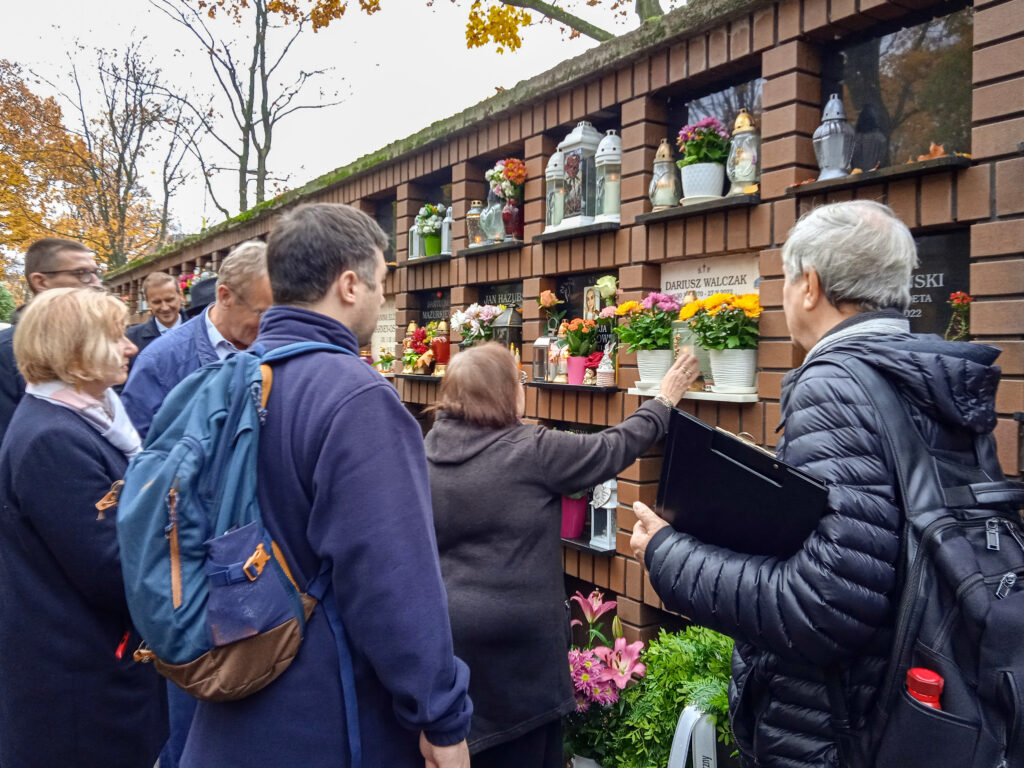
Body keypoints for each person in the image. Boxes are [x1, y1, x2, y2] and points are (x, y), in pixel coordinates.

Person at [630, 201, 1004, 768]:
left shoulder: (834, 383)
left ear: (810, 285)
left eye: (784, 278)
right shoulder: (937, 378)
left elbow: (822, 608)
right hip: (921, 707)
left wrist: (666, 553)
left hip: (841, 729)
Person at [180, 202, 473, 768]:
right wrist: (441, 717)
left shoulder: (224, 380)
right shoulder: (355, 398)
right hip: (326, 715)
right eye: (382, 282)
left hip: (230, 698)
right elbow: (393, 579)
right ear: (348, 285)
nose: (384, 298)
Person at [424, 342, 698, 768]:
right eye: (518, 381)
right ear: (502, 392)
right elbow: (612, 448)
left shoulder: (427, 453)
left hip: (452, 656)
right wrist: (662, 402)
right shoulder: (529, 451)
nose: (524, 389)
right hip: (522, 672)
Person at [0, 288, 167, 767]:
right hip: (79, 683)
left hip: (91, 667)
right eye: (115, 337)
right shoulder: (54, 438)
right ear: (73, 350)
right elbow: (113, 570)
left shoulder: (81, 420)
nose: (131, 346)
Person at [121, 240, 271, 438]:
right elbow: (139, 450)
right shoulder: (159, 362)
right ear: (225, 296)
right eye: (261, 312)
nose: (270, 323)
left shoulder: (281, 347)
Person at [0, 237, 103, 445]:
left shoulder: (101, 343)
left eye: (96, 273)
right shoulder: (6, 352)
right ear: (41, 282)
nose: (97, 284)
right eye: (82, 274)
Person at [126, 271, 188, 361]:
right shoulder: (131, 338)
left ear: (180, 296)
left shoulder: (200, 330)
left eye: (169, 300)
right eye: (157, 302)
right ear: (147, 302)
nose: (165, 307)